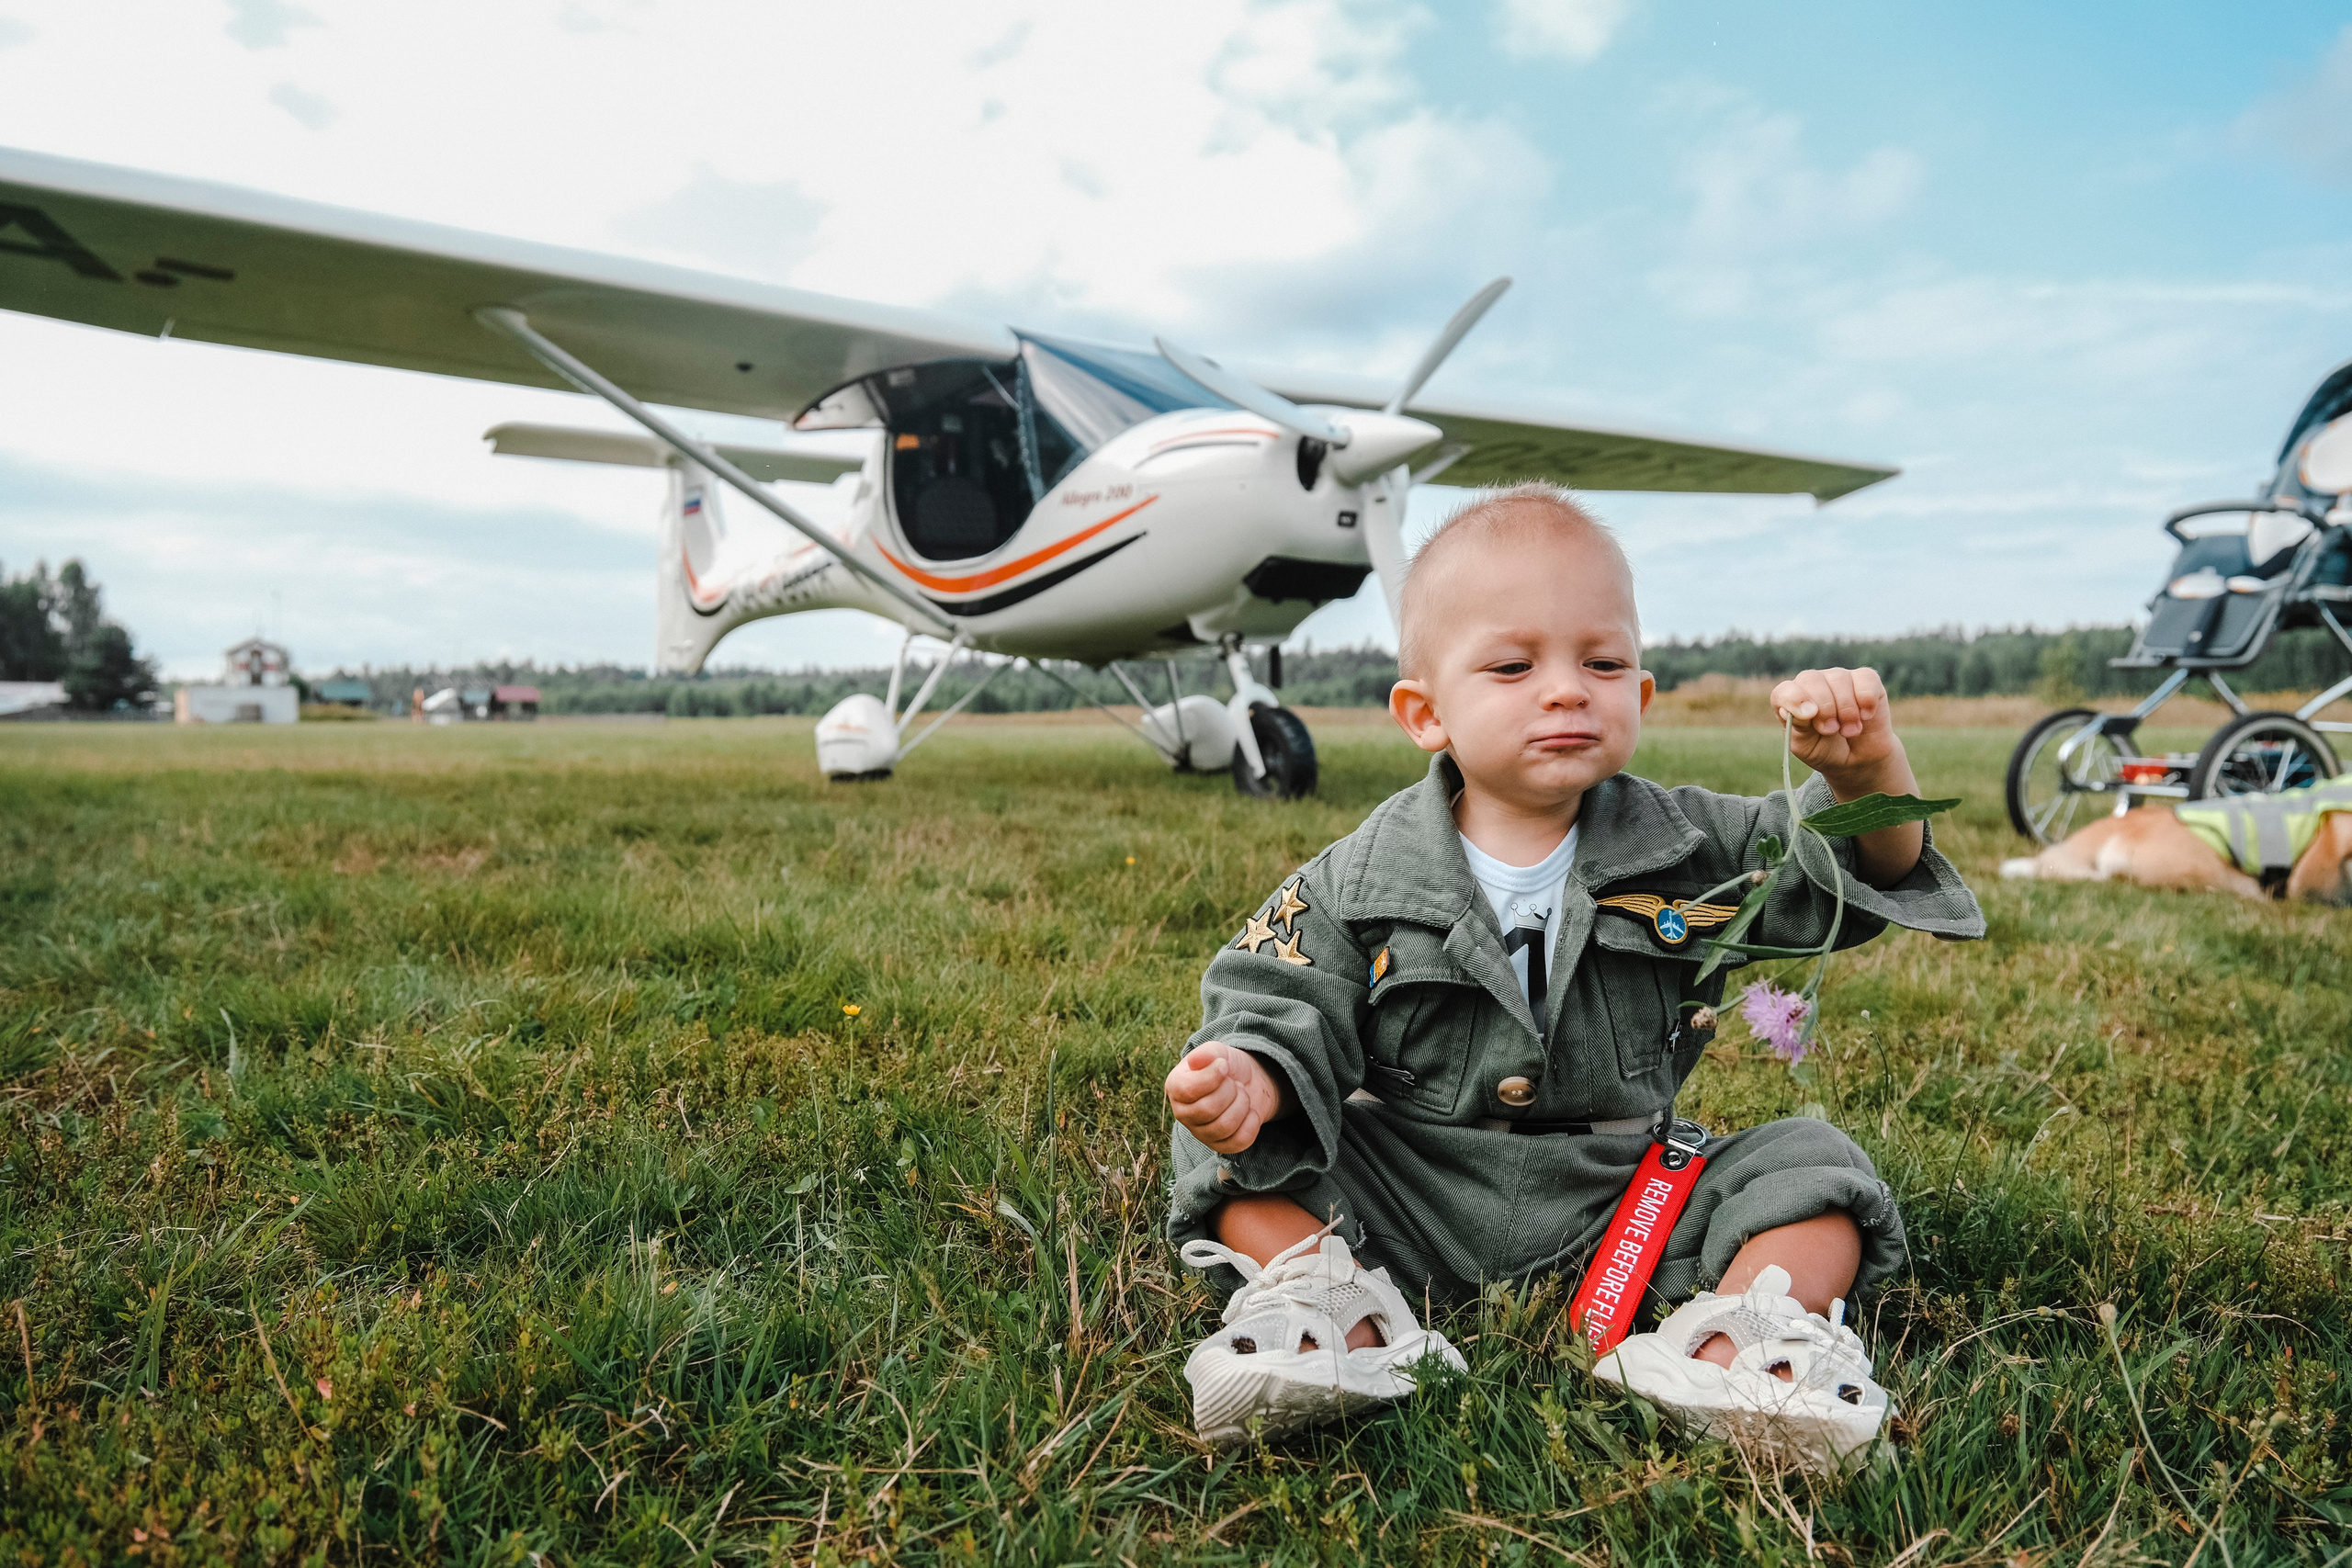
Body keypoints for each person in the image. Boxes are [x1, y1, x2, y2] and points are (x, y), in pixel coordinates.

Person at [1163, 484, 1984, 1471]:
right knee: (1222, 1143)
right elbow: (1275, 996)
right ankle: (1326, 1313)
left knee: (1812, 1167)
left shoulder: (1692, 848)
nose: (1565, 688)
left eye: (1601, 662)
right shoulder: (1353, 878)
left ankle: (1741, 1343)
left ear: (1638, 696)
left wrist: (1865, 779)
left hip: (1625, 1200)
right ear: (1426, 715)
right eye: (1513, 666)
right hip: (1406, 1197)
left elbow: (1860, 867)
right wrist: (1249, 1076)